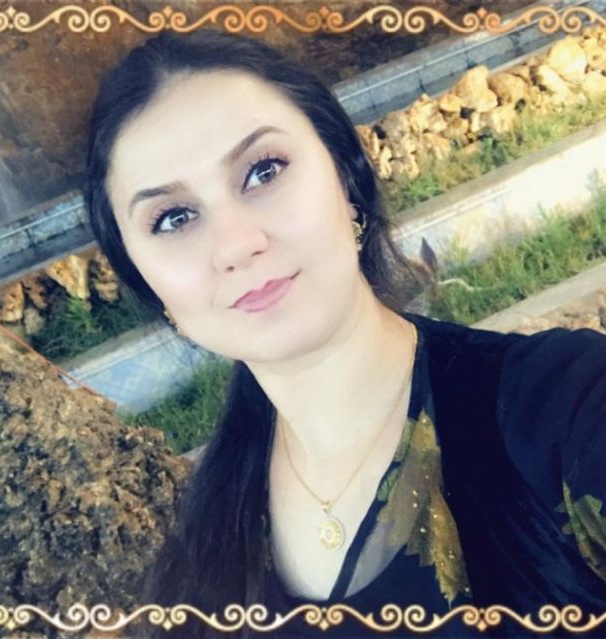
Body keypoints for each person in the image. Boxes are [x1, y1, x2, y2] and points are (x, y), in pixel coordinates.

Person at [84, 30, 606, 639]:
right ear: (150, 287)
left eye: (263, 171)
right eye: (173, 218)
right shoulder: (201, 558)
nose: (236, 244)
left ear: (347, 181)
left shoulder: (562, 412)